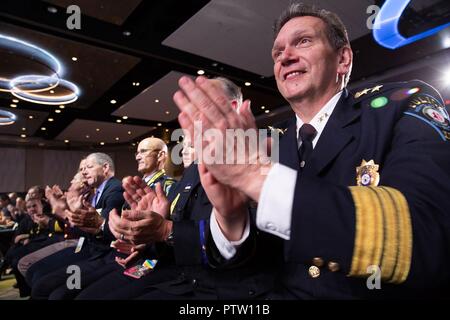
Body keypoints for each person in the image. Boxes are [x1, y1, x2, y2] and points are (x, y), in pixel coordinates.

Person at [173, 3, 450, 298]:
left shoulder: (401, 105)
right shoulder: (268, 142)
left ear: (343, 58)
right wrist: (231, 217)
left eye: (303, 41)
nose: (285, 58)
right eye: (277, 53)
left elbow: (428, 237)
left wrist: (255, 175)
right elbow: (254, 263)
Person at [26, 153, 125, 298]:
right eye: (82, 169)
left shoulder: (114, 189)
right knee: (37, 276)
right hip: (90, 249)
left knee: (50, 288)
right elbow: (88, 230)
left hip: (103, 254)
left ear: (105, 168)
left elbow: (104, 230)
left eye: (88, 167)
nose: (83, 172)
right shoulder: (94, 193)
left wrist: (66, 213)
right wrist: (67, 211)